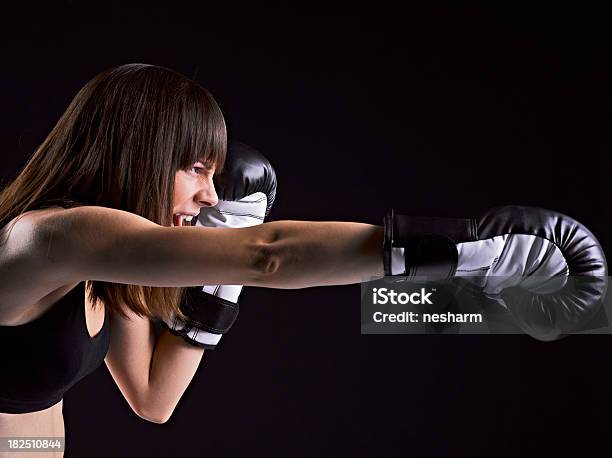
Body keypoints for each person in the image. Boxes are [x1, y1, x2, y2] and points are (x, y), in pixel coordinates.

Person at [0, 64, 605, 457]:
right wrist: (467, 247)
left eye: (214, 173)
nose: (212, 197)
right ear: (138, 153)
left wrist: (218, 284)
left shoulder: (106, 268)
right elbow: (269, 255)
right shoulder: (53, 237)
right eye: (196, 169)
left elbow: (153, 400)